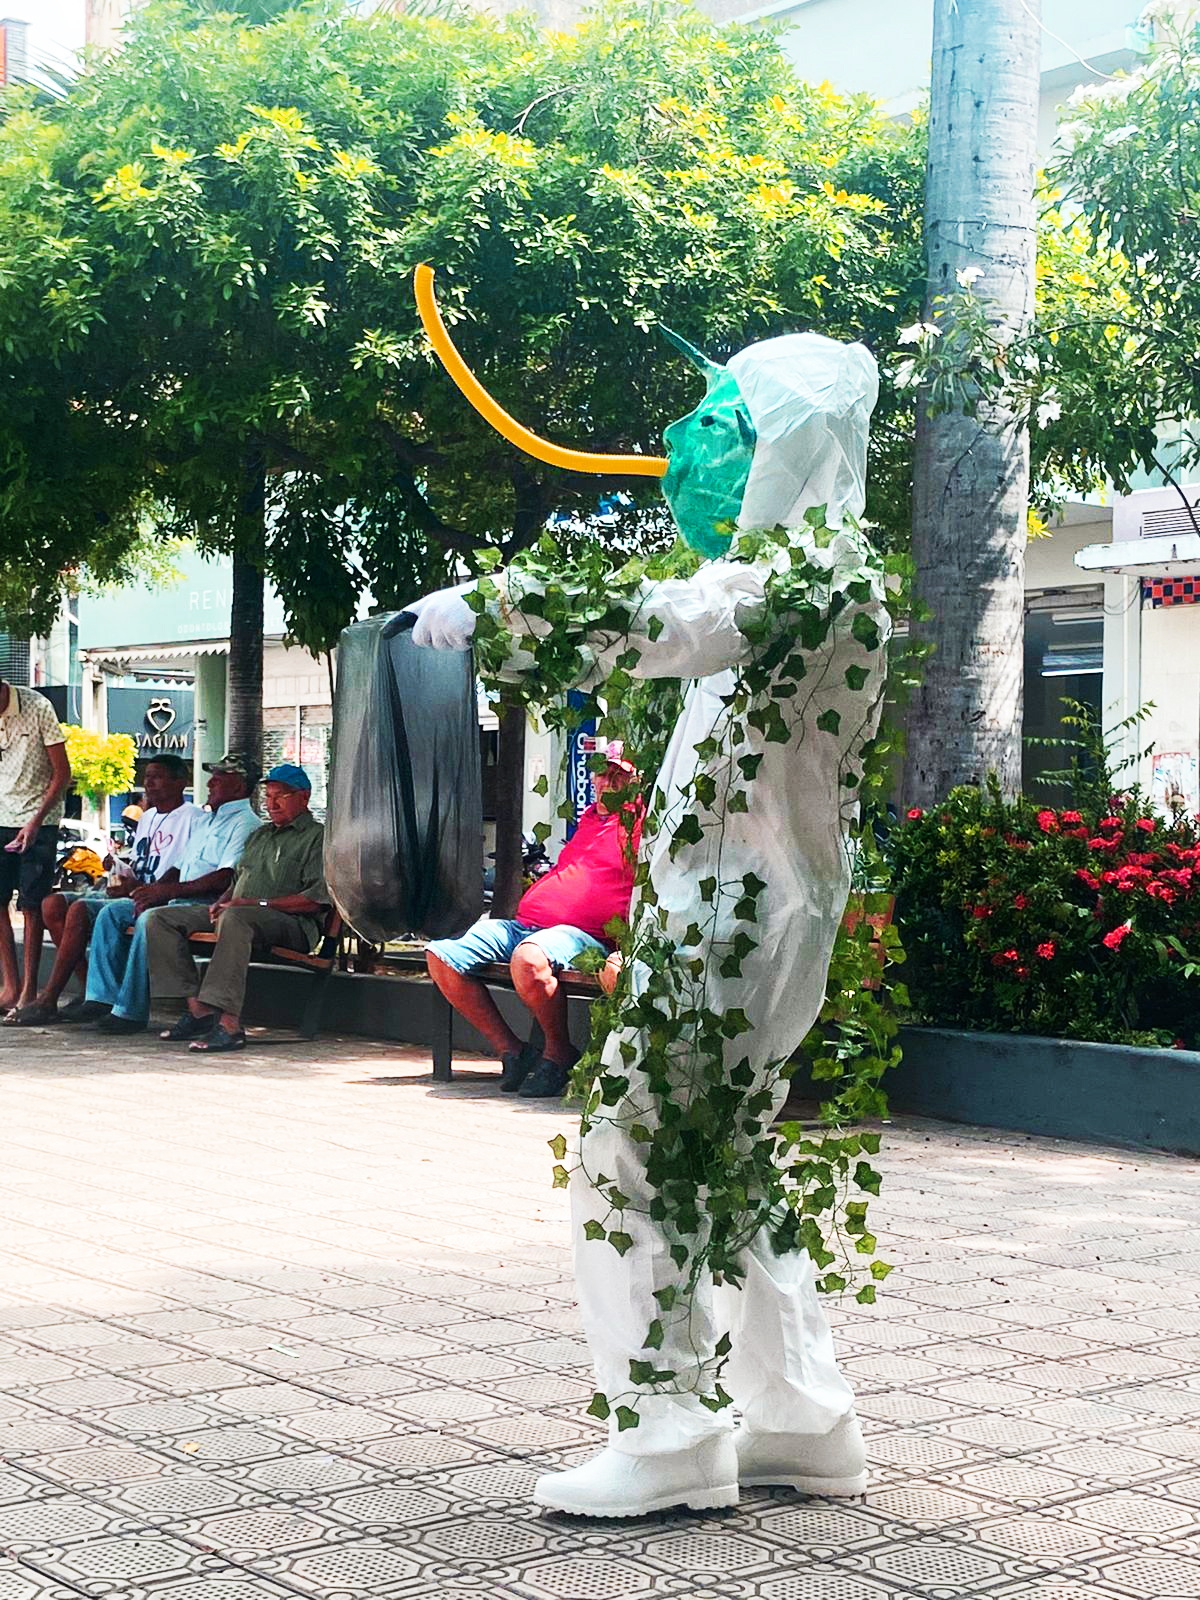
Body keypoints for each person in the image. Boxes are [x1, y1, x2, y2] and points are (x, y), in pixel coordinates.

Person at [408, 269, 888, 1517]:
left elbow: (671, 618)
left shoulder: (809, 576)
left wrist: (500, 610)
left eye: (730, 423)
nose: (699, 446)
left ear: (793, 445)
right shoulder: (820, 571)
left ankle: (672, 1430)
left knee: (632, 1148)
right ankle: (803, 1416)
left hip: (739, 914)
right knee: (729, 1156)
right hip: (749, 913)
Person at [426, 745, 642, 1099]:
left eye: (619, 775)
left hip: (580, 936)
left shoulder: (641, 823)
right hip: (525, 926)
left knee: (528, 960)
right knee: (441, 954)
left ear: (635, 783)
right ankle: (514, 1051)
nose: (608, 782)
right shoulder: (589, 819)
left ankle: (558, 1053)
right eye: (602, 772)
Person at [66, 755, 260, 1034]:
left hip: (207, 904)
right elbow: (179, 867)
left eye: (219, 778)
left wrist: (166, 892)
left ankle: (129, 1011)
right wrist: (153, 891)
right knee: (112, 913)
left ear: (239, 787)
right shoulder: (209, 821)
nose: (210, 782)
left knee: (150, 920)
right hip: (180, 897)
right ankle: (102, 998)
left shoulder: (244, 823)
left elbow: (224, 877)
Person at [146, 764, 328, 1053]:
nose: (272, 803)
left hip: (292, 924)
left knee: (236, 918)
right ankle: (199, 1011)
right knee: (159, 919)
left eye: (281, 795)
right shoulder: (261, 835)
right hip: (240, 914)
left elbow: (315, 899)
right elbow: (238, 879)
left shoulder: (317, 837)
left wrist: (255, 904)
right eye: (268, 796)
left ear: (304, 797)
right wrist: (223, 900)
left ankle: (229, 1026)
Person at [9, 754, 203, 1026]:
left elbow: (186, 867)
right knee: (51, 904)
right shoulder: (146, 818)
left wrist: (146, 888)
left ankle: (51, 999)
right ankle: (92, 990)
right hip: (132, 889)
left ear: (180, 782)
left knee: (80, 909)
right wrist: (118, 867)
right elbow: (139, 862)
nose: (149, 784)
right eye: (146, 777)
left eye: (157, 777)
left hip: (158, 897)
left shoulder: (193, 818)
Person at [0, 680, 72, 1021]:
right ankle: (9, 988)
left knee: (31, 905)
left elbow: (63, 773)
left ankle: (30, 992)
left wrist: (35, 821)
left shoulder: (37, 706)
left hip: (38, 820)